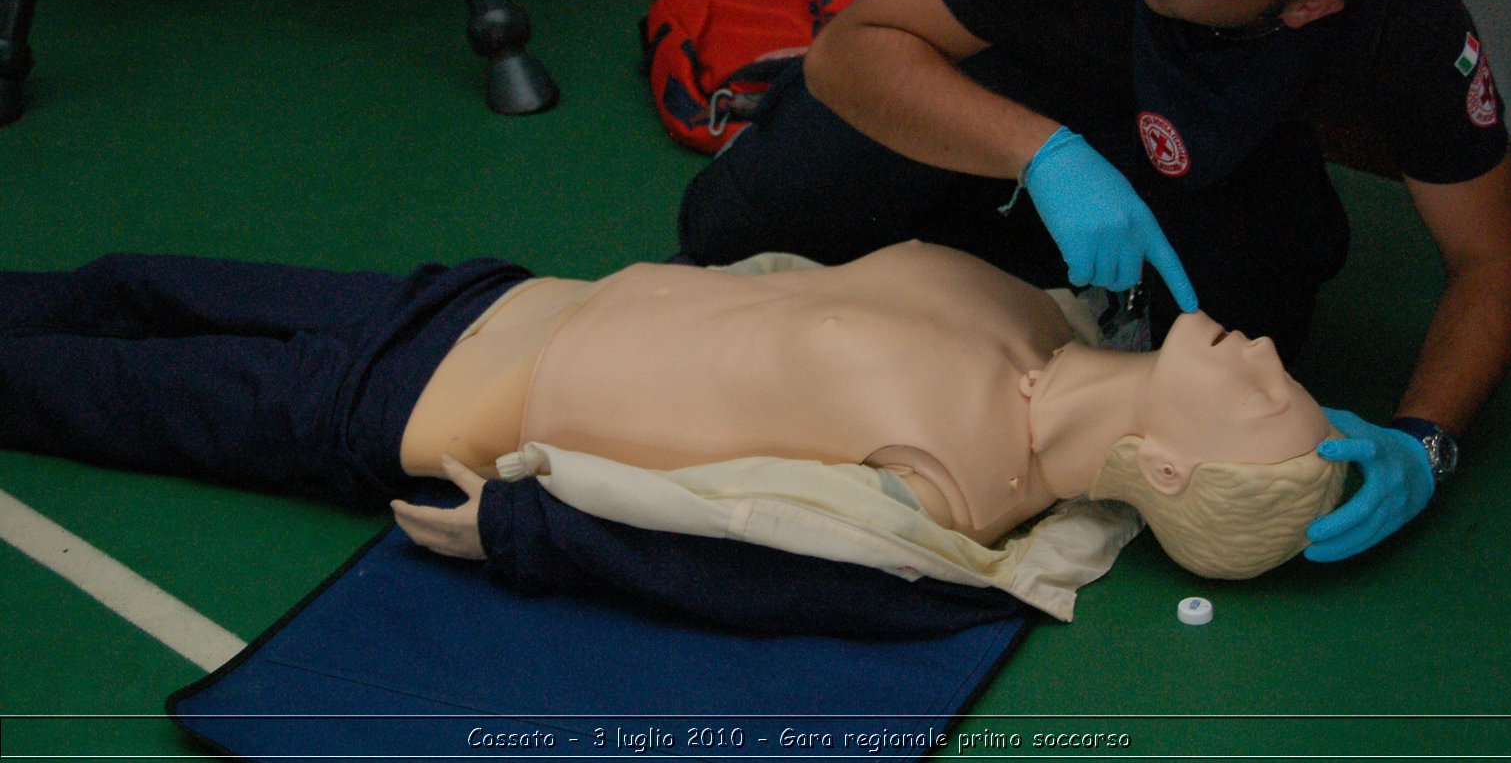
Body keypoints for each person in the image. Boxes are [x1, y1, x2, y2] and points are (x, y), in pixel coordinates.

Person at [675, 0, 1511, 566]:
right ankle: (984, 203)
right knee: (733, 236)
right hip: (999, 66)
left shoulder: (1406, 20)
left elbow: (1493, 259)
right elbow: (852, 54)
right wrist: (1042, 152)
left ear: (1306, 8)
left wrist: (1425, 443)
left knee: (1256, 331)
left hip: (1204, 125)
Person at [2, 244, 1341, 630]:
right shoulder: (1048, 319)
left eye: (1266, 396)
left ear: (1169, 469)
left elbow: (751, 556)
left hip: (390, 413)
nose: (1271, 356)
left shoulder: (951, 497)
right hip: (472, 296)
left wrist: (524, 530)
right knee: (123, 284)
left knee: (68, 382)